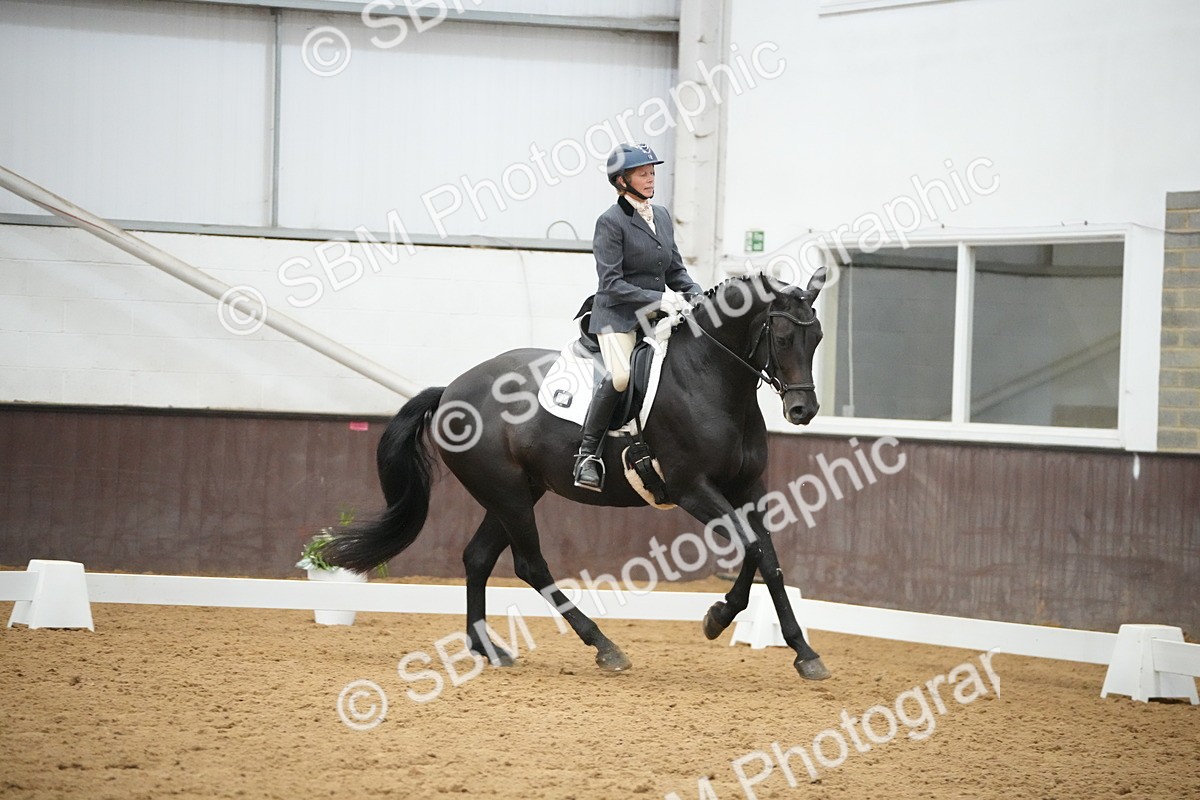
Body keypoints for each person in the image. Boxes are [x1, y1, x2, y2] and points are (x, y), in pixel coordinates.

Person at [572, 143, 702, 492]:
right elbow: (611, 284)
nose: (651, 178)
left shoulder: (661, 216)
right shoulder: (610, 222)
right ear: (621, 181)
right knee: (620, 376)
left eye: (652, 172)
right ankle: (588, 455)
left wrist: (696, 294)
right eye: (643, 174)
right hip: (617, 317)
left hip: (655, 316)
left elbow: (675, 270)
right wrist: (660, 298)